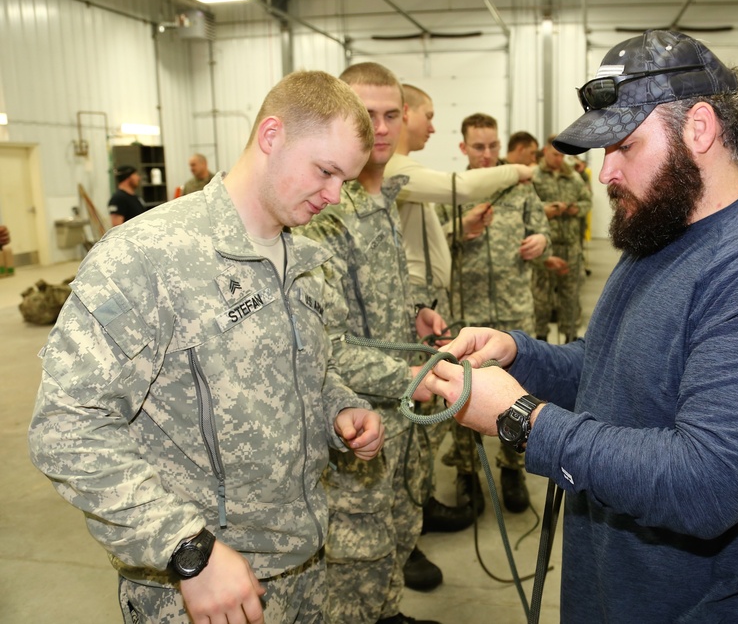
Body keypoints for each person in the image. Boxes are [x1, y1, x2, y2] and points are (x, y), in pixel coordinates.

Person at [422, 29, 738, 622]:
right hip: (613, 592)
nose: (606, 173)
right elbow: (612, 371)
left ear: (699, 129)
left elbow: (706, 483)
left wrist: (524, 419)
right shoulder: (659, 237)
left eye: (624, 146)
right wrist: (517, 357)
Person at [28, 70, 385, 624]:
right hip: (197, 587)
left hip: (306, 564)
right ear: (272, 136)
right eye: (326, 171)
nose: (335, 196)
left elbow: (306, 369)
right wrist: (187, 550)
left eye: (347, 181)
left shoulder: (305, 260)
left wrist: (339, 407)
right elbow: (66, 425)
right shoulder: (148, 257)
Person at [295, 63, 447, 624]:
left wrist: (418, 313)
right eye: (365, 115)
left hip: (402, 420)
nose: (379, 128)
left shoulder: (380, 201)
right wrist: (413, 376)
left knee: (397, 533)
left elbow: (379, 297)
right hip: (354, 424)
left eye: (390, 115)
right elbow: (325, 344)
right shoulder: (323, 210)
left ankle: (389, 614)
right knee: (355, 559)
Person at [386, 86, 536, 529]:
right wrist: (520, 169)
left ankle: (504, 474)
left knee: (508, 386)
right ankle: (445, 490)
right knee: (449, 393)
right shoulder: (404, 170)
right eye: (428, 115)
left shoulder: (405, 169)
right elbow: (461, 187)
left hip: (449, 305)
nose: (432, 125)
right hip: (435, 304)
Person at [436, 112, 549, 514]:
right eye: (478, 147)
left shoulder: (518, 188)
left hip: (514, 309)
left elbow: (542, 231)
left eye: (492, 146)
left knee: (518, 394)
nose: (486, 155)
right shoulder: (450, 191)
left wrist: (540, 240)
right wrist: (458, 230)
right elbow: (429, 249)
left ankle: (511, 468)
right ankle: (467, 471)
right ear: (463, 148)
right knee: (462, 391)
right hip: (466, 315)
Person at [531, 136, 591, 342]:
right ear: (545, 151)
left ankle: (570, 339)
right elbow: (528, 207)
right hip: (545, 247)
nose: (558, 159)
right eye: (554, 154)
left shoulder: (573, 177)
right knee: (541, 297)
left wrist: (575, 209)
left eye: (561, 155)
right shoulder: (534, 177)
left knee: (570, 295)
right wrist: (549, 208)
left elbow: (587, 201)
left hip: (570, 245)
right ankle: (540, 339)